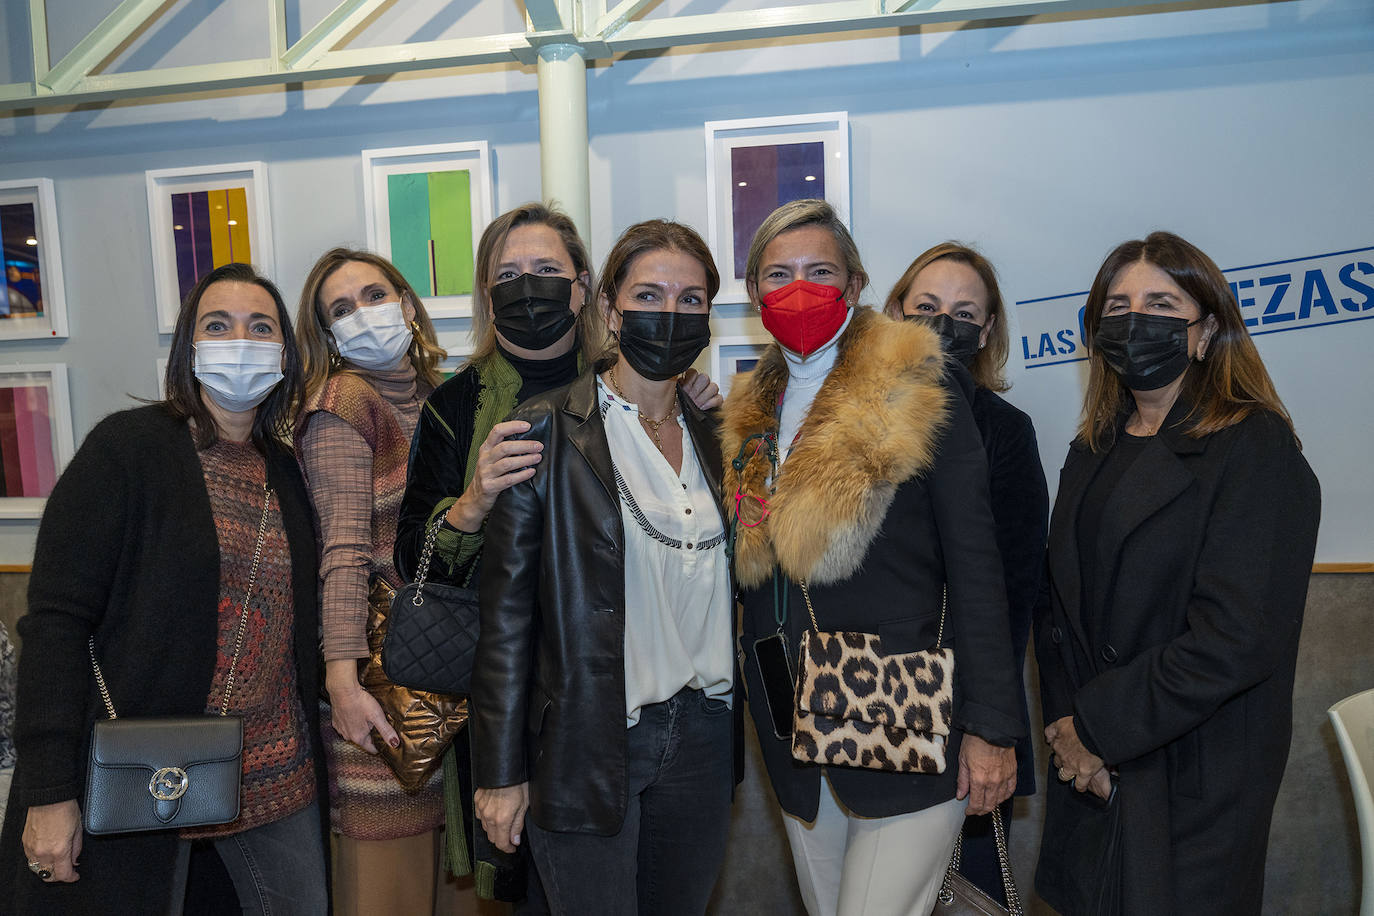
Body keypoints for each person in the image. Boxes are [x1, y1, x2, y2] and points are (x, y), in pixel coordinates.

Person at [394, 203, 721, 906]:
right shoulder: (459, 405)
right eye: (509, 274)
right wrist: (473, 501)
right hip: (526, 697)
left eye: (546, 270)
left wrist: (684, 397)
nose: (529, 287)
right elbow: (415, 560)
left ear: (582, 288)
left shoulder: (636, 385)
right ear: (488, 295)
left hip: (655, 697)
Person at [725, 200, 1025, 916]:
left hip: (904, 710)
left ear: (855, 284)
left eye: (820, 271)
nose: (799, 288)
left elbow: (978, 566)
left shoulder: (917, 381)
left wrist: (991, 728)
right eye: (779, 274)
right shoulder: (746, 404)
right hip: (790, 720)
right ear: (754, 293)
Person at [1, 262, 327, 914]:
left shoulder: (289, 471)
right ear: (190, 348)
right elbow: (56, 623)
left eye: (260, 327)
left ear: (286, 355)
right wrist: (48, 788)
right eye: (218, 324)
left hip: (275, 778)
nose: (241, 340)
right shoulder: (126, 451)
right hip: (146, 774)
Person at [1033, 231, 1320, 915]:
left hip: (1191, 769)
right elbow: (1059, 616)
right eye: (1117, 306)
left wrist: (1097, 733)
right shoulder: (1093, 446)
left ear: (1206, 330)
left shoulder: (1256, 447)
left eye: (1161, 303)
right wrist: (1075, 744)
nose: (1136, 321)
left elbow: (1237, 638)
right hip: (1092, 769)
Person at [294, 247, 465, 915]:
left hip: (459, 683)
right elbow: (342, 553)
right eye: (341, 309)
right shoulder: (343, 403)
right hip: (386, 696)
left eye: (374, 294)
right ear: (328, 335)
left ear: (407, 302)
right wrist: (342, 681)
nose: (363, 314)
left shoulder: (445, 395)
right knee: (387, 892)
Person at [883, 242, 1048, 904]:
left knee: (966, 897)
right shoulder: (848, 417)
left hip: (962, 727)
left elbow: (1009, 595)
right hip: (867, 710)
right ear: (895, 311)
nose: (942, 323)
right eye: (926, 307)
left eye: (963, 312)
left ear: (985, 333)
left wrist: (989, 729)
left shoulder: (1005, 432)